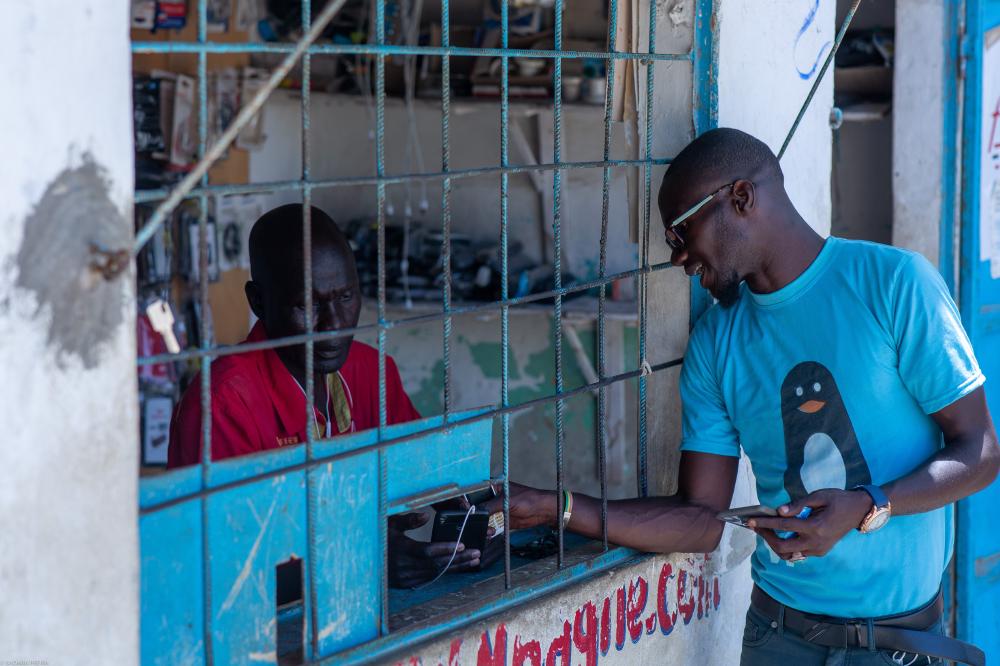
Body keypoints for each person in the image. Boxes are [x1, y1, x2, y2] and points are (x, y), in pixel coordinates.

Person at [492, 129, 1000, 665]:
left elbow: (981, 451)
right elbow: (701, 518)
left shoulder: (894, 284)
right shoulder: (716, 343)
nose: (679, 258)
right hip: (778, 639)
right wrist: (559, 508)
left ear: (741, 198)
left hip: (900, 645)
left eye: (680, 232)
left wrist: (869, 505)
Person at [168, 203, 493, 587]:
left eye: (345, 298)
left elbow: (430, 472)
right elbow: (226, 564)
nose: (334, 327)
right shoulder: (222, 403)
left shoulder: (370, 371)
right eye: (308, 305)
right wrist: (366, 556)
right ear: (258, 302)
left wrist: (481, 523)